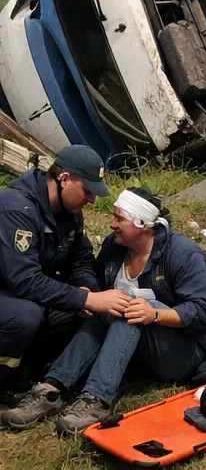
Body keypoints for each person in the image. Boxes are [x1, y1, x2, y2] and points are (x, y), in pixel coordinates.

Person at [3, 187, 206, 435]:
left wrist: (154, 314)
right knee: (111, 305)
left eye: (119, 219)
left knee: (132, 308)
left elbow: (203, 312)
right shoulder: (114, 247)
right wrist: (90, 294)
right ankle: (51, 389)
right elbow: (94, 278)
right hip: (136, 346)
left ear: (142, 224)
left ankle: (97, 400)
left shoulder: (182, 254)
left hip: (184, 351)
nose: (112, 224)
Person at [0, 146, 131, 393]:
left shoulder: (69, 212)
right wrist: (86, 299)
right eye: (87, 191)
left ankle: (34, 369)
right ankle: (5, 382)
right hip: (11, 293)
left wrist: (86, 289)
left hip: (25, 294)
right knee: (26, 316)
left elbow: (81, 260)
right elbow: (25, 281)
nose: (91, 200)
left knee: (86, 312)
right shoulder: (16, 210)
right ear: (64, 178)